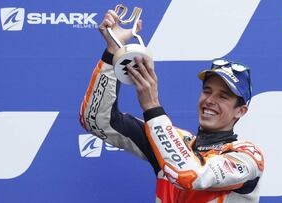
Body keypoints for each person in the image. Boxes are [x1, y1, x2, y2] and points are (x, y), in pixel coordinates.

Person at [80, 9, 264, 203]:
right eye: (207, 91)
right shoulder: (175, 140)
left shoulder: (247, 157)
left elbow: (191, 175)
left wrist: (152, 106)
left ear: (240, 111)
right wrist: (113, 53)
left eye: (223, 96)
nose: (210, 100)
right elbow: (96, 121)